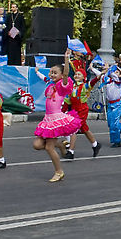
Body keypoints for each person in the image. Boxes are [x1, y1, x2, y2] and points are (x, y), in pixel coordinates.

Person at [32, 50, 82, 182]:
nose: (52, 74)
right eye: (51, 72)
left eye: (55, 73)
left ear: (61, 75)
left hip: (56, 119)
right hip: (47, 119)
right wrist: (38, 71)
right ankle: (60, 145)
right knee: (37, 145)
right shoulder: (51, 84)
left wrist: (66, 59)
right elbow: (44, 77)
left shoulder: (62, 86)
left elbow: (66, 74)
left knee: (49, 147)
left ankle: (59, 171)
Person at [100, 66, 121, 148]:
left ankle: (117, 141)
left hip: (117, 104)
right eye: (115, 71)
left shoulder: (118, 81)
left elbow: (114, 75)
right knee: (110, 123)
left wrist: (110, 69)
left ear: (120, 75)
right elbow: (100, 75)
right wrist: (92, 68)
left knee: (114, 124)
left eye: (117, 72)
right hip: (110, 104)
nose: (115, 73)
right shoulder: (108, 81)